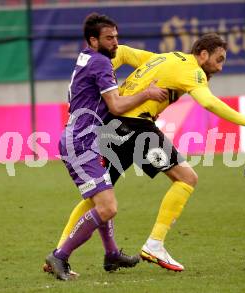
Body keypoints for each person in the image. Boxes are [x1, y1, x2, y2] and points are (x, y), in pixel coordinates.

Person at [53, 33, 245, 272]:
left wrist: (96, 77)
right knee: (187, 178)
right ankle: (154, 244)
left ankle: (58, 255)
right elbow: (209, 103)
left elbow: (123, 52)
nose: (220, 67)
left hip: (112, 124)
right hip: (136, 127)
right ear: (204, 54)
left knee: (97, 195)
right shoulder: (192, 71)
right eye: (219, 59)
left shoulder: (164, 58)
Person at [44, 13, 168, 281]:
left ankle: (111, 254)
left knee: (103, 195)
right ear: (93, 40)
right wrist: (147, 94)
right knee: (107, 207)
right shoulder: (100, 62)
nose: (115, 43)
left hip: (87, 139)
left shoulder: (87, 57)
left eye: (116, 37)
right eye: (109, 38)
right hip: (80, 142)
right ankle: (60, 256)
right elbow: (116, 106)